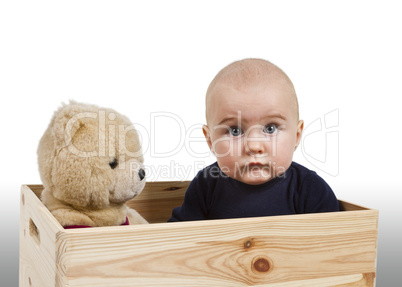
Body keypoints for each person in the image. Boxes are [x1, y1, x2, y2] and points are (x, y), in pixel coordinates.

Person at [169, 58, 339, 221]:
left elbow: (339, 240)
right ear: (211, 141)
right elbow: (178, 240)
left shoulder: (309, 189)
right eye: (235, 131)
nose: (254, 146)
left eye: (270, 128)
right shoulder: (206, 186)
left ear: (296, 136)